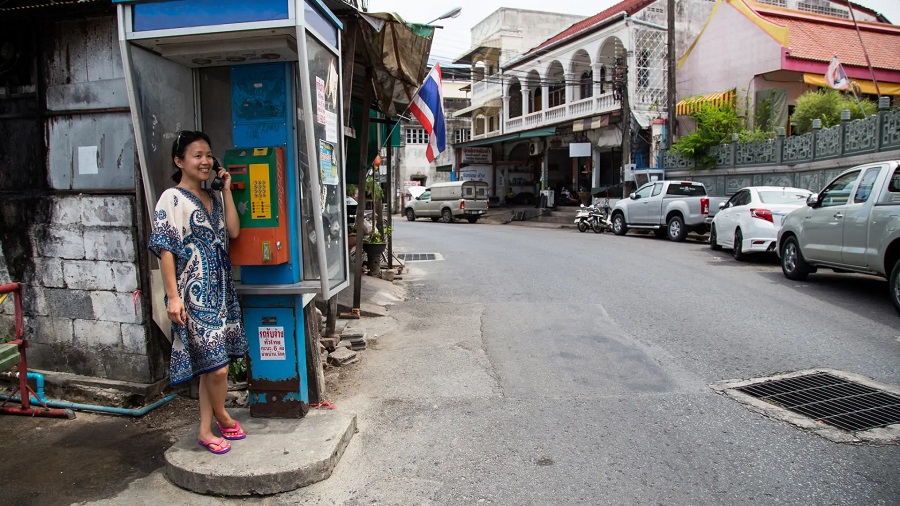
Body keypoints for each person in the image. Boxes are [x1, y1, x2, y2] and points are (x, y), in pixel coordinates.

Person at [149, 130, 248, 455]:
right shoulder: (171, 199)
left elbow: (233, 230)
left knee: (212, 366)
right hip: (192, 296)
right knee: (217, 368)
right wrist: (172, 296)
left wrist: (227, 190)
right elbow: (165, 249)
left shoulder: (214, 197)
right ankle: (221, 414)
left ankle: (206, 430)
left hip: (221, 292)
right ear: (179, 161)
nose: (205, 161)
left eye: (208, 155)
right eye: (197, 155)